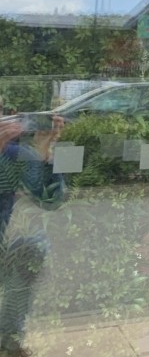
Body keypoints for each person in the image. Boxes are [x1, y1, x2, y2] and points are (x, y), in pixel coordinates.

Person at [0, 116, 65, 357]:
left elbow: (50, 201)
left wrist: (43, 151)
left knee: (31, 247)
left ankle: (10, 344)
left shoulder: (17, 154)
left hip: (11, 251)